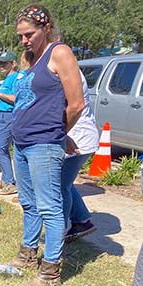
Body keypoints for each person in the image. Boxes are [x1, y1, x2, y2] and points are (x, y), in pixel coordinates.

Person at [2, 4, 85, 286]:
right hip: (22, 143)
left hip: (43, 143)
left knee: (50, 206)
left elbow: (76, 104)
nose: (24, 40)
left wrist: (59, 133)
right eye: (20, 36)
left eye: (29, 34)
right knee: (28, 203)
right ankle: (27, 254)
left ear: (46, 27)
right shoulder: (30, 61)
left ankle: (50, 272)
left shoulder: (59, 53)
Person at [62, 71, 99, 243]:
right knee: (64, 184)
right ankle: (82, 219)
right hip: (73, 137)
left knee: (59, 187)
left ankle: (58, 233)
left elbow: (74, 106)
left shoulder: (66, 70)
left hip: (76, 139)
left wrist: (60, 134)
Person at [0, 51, 22, 195]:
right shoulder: (7, 79)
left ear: (13, 64)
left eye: (4, 63)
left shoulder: (17, 78)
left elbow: (17, 98)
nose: (1, 65)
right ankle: (5, 178)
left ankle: (10, 182)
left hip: (7, 116)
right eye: (0, 63)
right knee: (3, 149)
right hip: (0, 115)